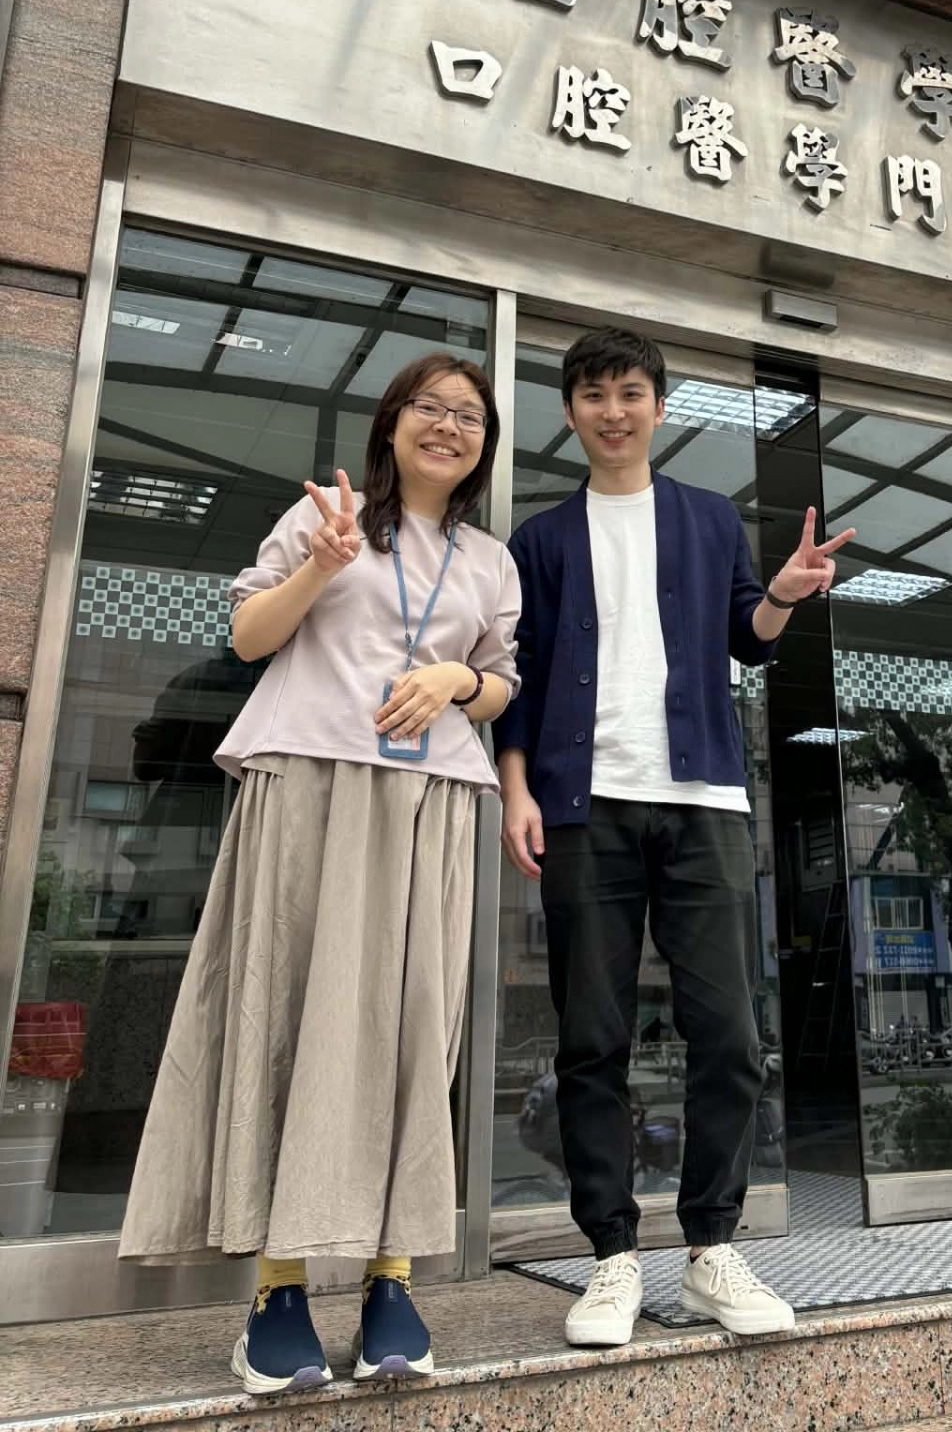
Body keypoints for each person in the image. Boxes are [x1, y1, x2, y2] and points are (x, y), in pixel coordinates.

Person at [118, 354, 520, 1394]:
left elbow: (501, 687)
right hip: (308, 782)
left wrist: (459, 677)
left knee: (410, 1025)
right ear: (390, 423)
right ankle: (278, 1289)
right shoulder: (322, 517)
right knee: (287, 1009)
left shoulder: (489, 560)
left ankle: (392, 1279)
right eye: (428, 407)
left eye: (468, 415)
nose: (447, 425)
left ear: (484, 444)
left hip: (429, 803)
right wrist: (322, 564)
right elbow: (251, 635)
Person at [495, 327, 851, 1346]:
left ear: (659, 406)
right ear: (570, 411)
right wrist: (516, 790)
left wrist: (780, 595)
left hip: (704, 801)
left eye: (631, 393)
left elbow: (747, 635)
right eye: (594, 395)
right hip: (583, 804)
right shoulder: (539, 541)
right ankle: (611, 1256)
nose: (613, 411)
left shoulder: (706, 518)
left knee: (729, 1035)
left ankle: (709, 1250)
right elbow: (518, 680)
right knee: (592, 1040)